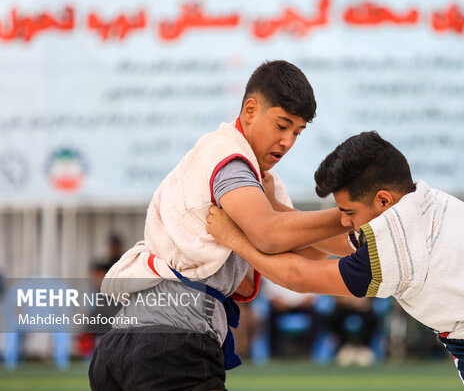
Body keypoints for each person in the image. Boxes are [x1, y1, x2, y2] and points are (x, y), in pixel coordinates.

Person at [206, 131, 464, 390]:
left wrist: (234, 237)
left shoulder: (395, 251)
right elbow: (345, 243)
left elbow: (299, 275)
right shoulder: (426, 202)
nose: (344, 220)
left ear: (383, 200)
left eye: (349, 210)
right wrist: (271, 211)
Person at [89, 60, 351, 391]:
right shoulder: (232, 161)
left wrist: (354, 227)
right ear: (251, 109)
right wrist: (347, 214)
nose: (287, 142)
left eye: (297, 132)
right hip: (172, 342)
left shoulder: (247, 171)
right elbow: (269, 233)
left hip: (123, 342)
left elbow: (305, 250)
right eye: (282, 125)